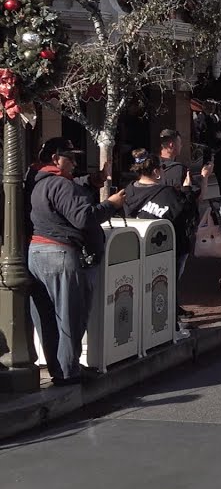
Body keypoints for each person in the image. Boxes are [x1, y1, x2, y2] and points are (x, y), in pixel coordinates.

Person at [28, 141, 126, 385]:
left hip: (36, 253)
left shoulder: (35, 181)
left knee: (47, 318)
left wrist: (92, 181)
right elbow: (83, 217)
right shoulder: (60, 185)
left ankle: (59, 368)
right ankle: (68, 372)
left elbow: (65, 191)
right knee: (70, 316)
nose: (74, 162)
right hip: (61, 253)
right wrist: (111, 205)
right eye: (70, 157)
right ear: (56, 158)